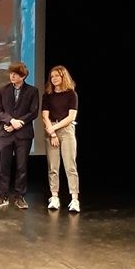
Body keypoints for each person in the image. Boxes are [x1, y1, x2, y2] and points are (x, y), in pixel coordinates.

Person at [0, 61, 39, 209]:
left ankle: (20, 196)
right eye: (11, 73)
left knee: (21, 166)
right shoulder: (3, 90)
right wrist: (11, 121)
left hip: (23, 134)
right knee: (3, 166)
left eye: (15, 74)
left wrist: (19, 123)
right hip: (5, 133)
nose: (12, 76)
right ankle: (2, 195)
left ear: (23, 76)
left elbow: (33, 112)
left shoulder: (32, 91)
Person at [42, 65, 80, 213]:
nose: (54, 79)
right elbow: (45, 115)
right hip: (51, 129)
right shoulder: (48, 95)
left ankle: (74, 199)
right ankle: (54, 197)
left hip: (66, 130)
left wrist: (54, 129)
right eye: (52, 76)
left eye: (57, 76)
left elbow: (71, 117)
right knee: (53, 166)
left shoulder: (71, 94)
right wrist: (52, 133)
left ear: (63, 77)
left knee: (70, 165)